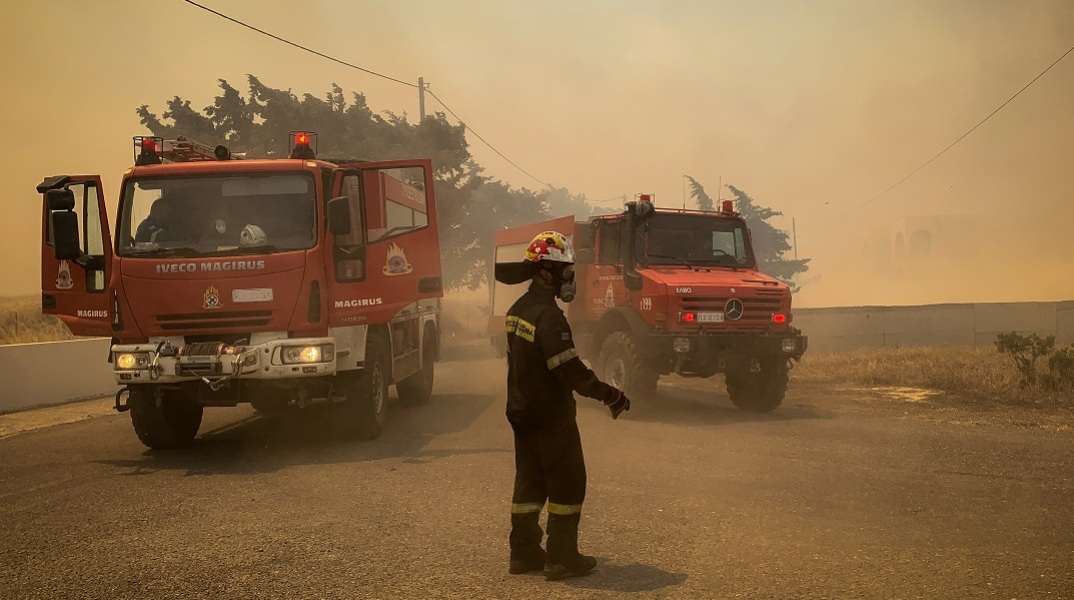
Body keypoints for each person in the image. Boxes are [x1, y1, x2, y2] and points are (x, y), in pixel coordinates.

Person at [495, 230, 631, 581]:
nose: (570, 278)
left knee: (529, 482)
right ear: (545, 273)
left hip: (521, 412)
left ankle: (523, 555)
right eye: (566, 271)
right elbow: (568, 369)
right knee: (568, 483)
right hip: (550, 415)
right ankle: (562, 558)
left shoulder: (516, 311)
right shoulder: (550, 317)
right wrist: (609, 393)